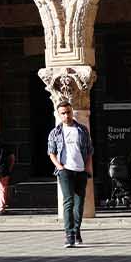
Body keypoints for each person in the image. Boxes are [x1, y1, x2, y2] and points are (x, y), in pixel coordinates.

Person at [47, 101, 93, 248]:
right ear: (59, 115)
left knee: (79, 204)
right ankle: (69, 234)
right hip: (65, 170)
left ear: (72, 111)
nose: (66, 115)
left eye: (68, 112)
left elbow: (89, 151)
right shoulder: (55, 132)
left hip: (81, 170)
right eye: (63, 113)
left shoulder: (82, 130)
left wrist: (87, 168)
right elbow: (51, 152)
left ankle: (76, 229)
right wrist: (60, 167)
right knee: (68, 201)